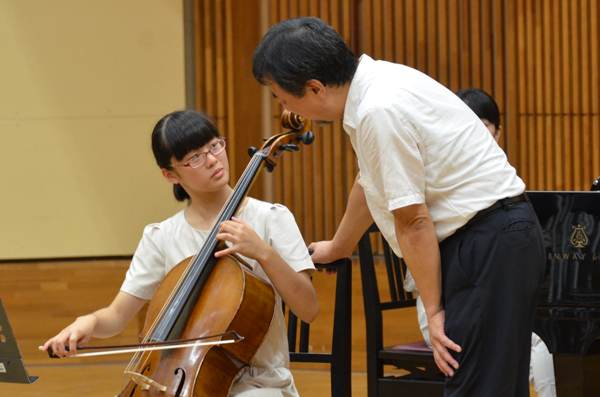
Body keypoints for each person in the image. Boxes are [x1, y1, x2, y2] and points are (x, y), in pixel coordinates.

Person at [252, 17, 545, 397]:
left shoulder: (377, 110)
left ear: (314, 88)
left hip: (485, 246)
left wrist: (434, 311)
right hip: (500, 240)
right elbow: (369, 180)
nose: (284, 106)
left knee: (478, 390)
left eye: (281, 96)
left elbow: (414, 221)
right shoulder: (378, 81)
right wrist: (339, 246)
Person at [42, 110, 319, 397]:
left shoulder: (271, 218)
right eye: (195, 157)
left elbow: (308, 309)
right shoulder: (161, 237)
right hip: (179, 383)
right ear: (170, 174)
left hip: (260, 384)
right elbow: (116, 315)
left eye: (214, 145)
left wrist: (263, 252)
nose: (212, 159)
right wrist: (87, 322)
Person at [412, 87, 556, 397]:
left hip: (483, 285)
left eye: (482, 125)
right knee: (539, 344)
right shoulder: (441, 178)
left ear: (498, 132)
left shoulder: (500, 184)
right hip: (442, 296)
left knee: (540, 344)